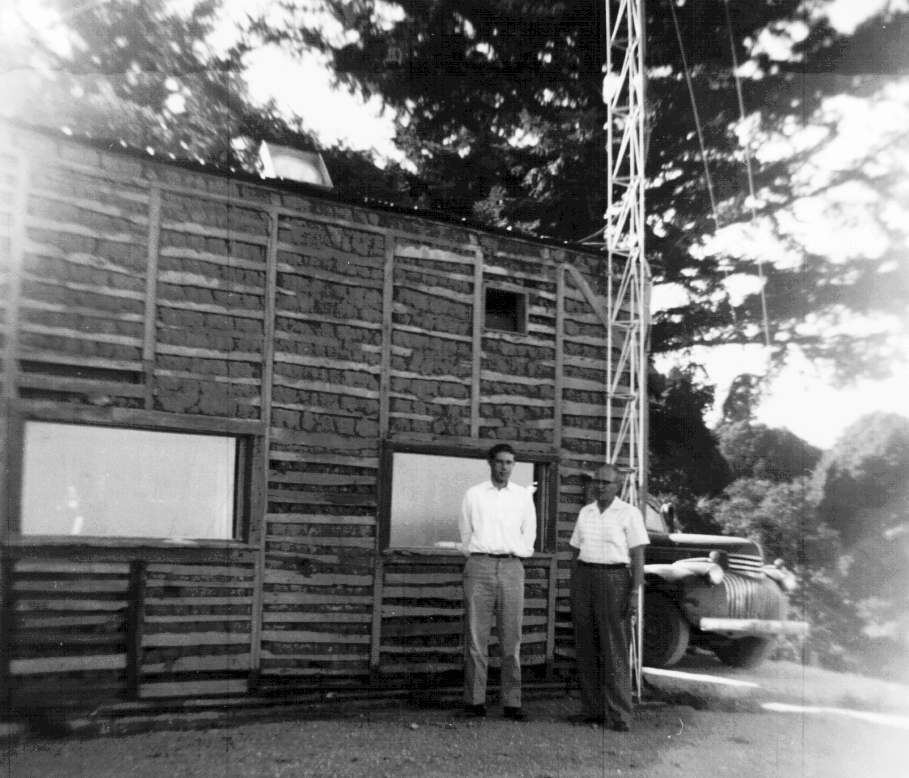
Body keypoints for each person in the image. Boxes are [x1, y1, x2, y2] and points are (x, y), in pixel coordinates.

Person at [460, 443, 537, 721]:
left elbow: (529, 533)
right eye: (500, 462)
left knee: (511, 637)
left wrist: (514, 555)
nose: (504, 467)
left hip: (512, 566)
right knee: (476, 636)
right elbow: (466, 532)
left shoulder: (522, 497)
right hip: (479, 564)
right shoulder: (474, 495)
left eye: (510, 463)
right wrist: (480, 555)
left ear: (513, 466)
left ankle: (512, 702)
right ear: (490, 463)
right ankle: (474, 701)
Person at [568, 464, 648, 731]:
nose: (600, 486)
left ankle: (620, 714)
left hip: (615, 580)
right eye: (597, 482)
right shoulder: (585, 512)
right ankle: (592, 710)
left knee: (614, 648)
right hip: (585, 576)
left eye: (606, 482)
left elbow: (637, 557)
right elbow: (575, 551)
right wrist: (575, 583)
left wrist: (634, 592)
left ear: (618, 486)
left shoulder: (629, 513)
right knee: (586, 645)